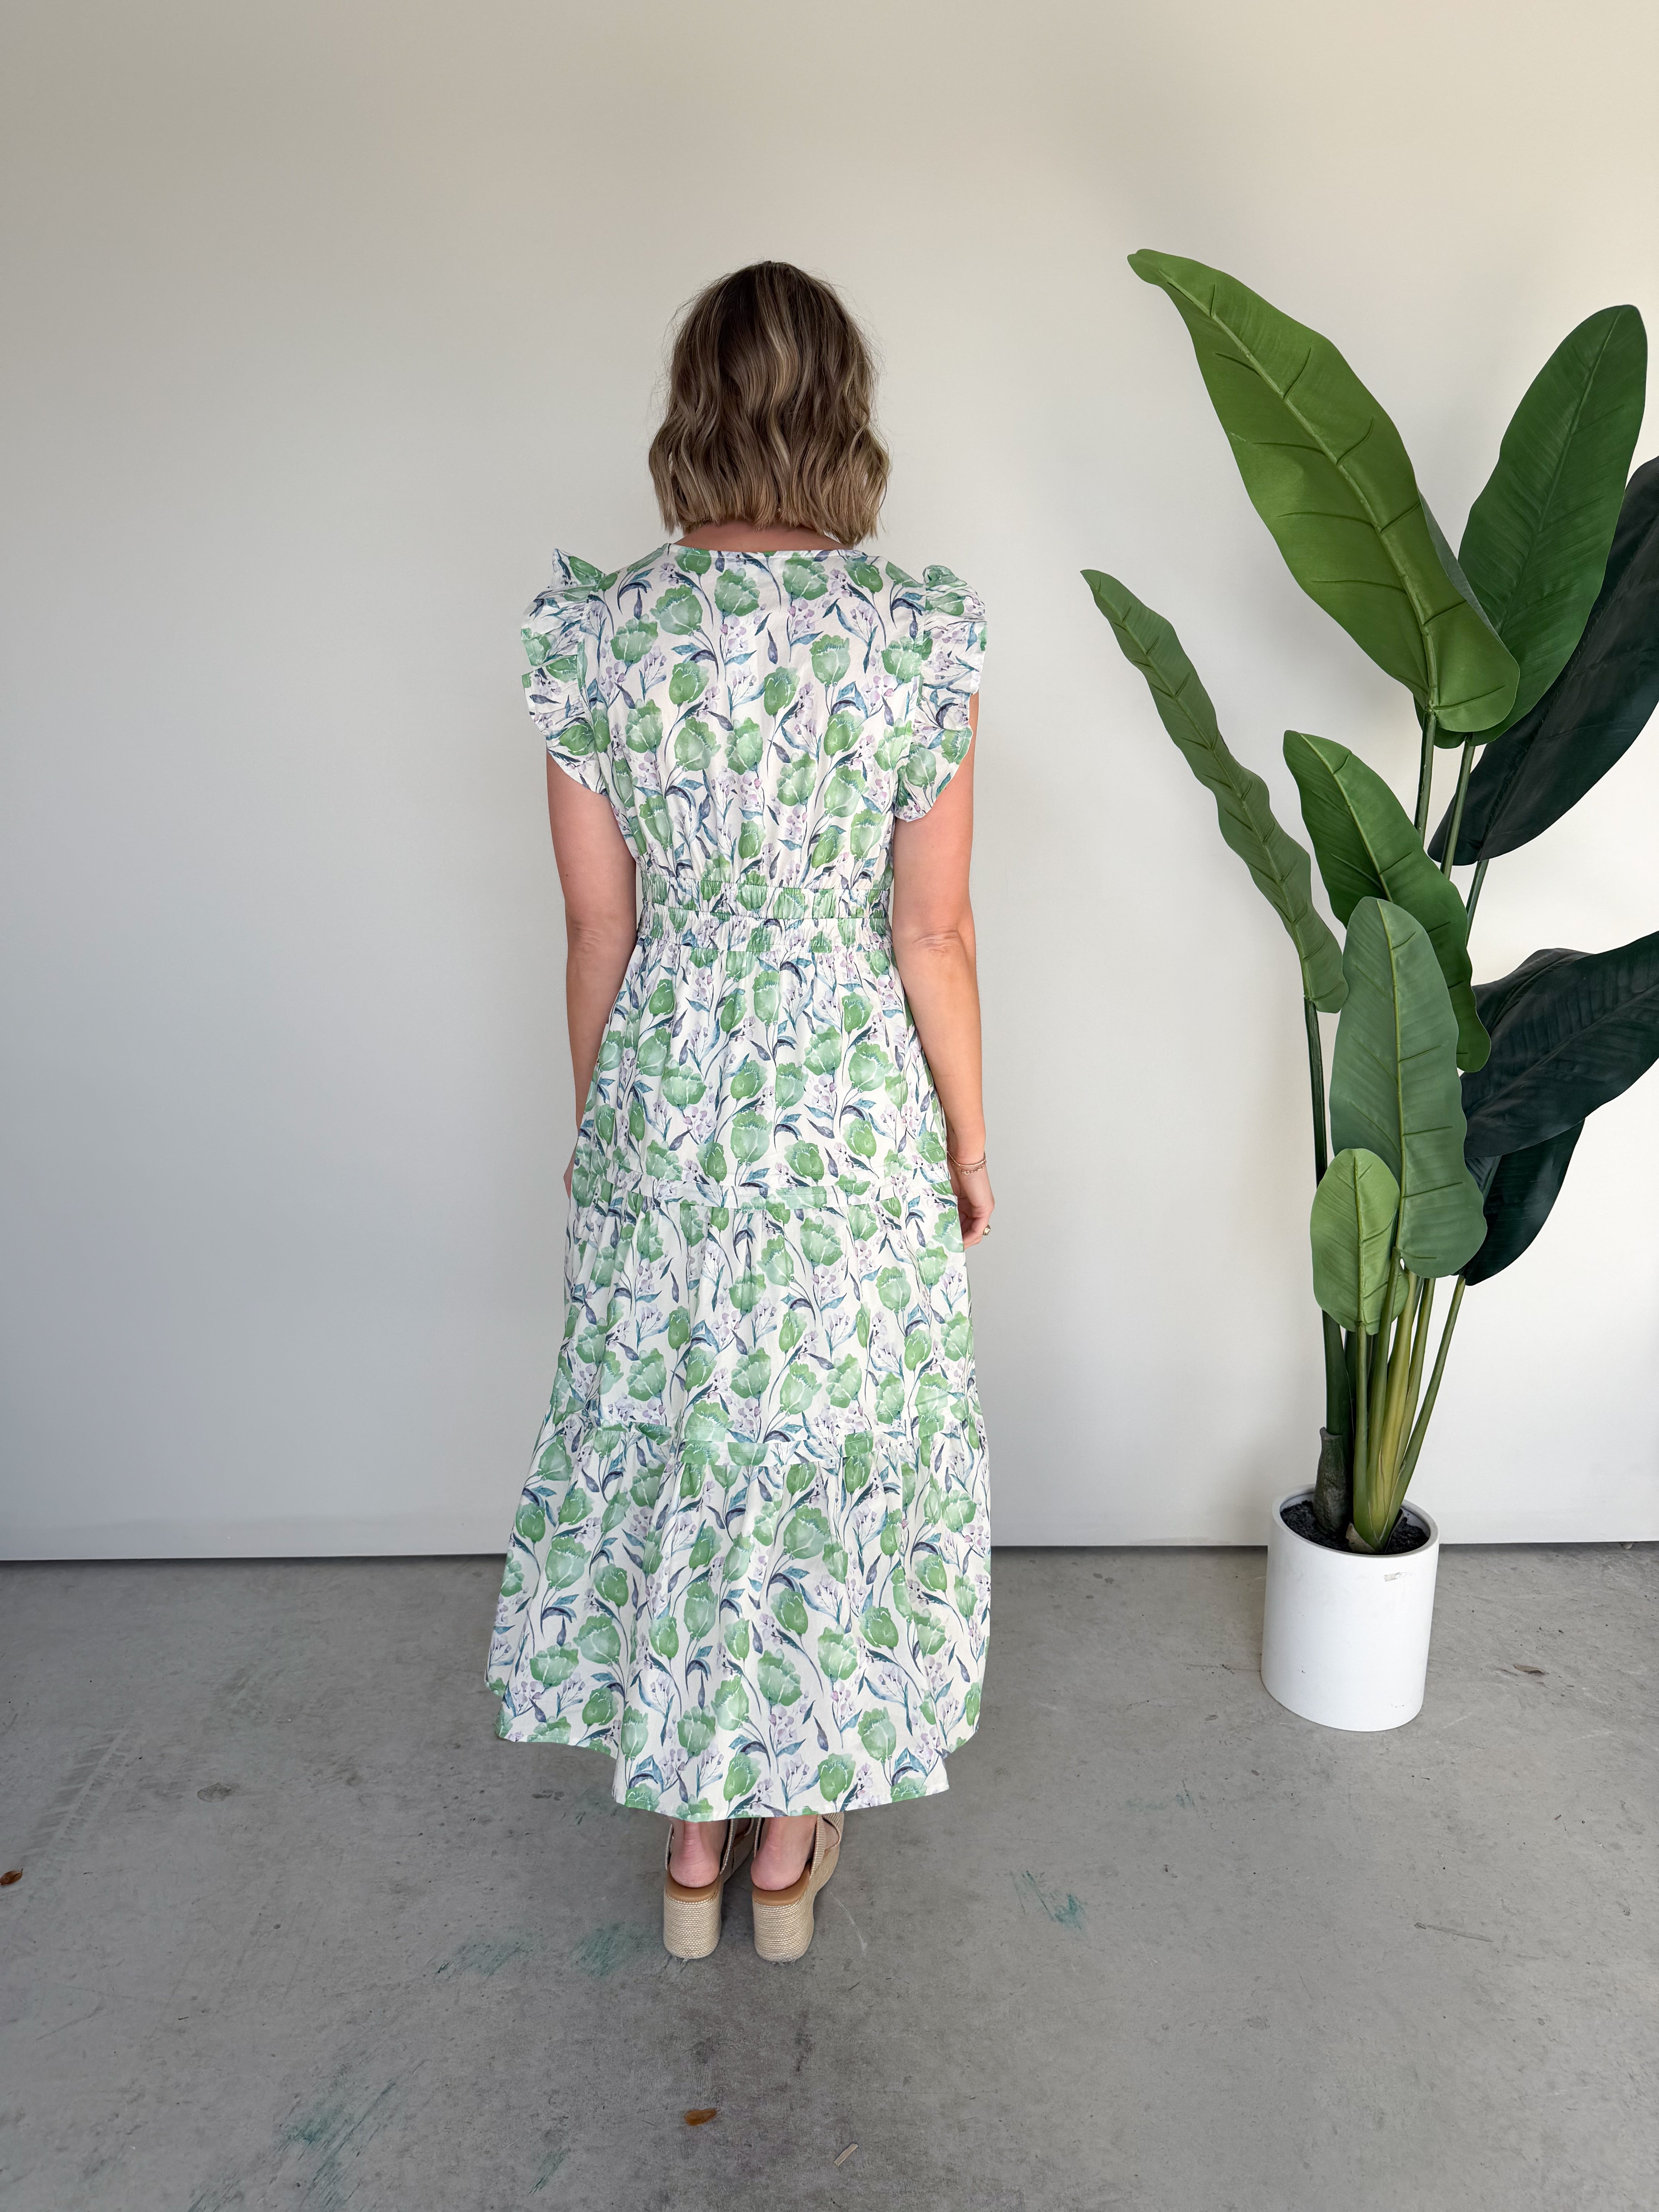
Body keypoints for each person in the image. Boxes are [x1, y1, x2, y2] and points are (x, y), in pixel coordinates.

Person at [486, 261, 993, 1964]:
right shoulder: (913, 636)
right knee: (825, 1441)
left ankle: (691, 1847)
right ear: (845, 412)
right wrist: (966, 1143)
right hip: (846, 1102)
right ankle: (788, 1850)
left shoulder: (599, 634)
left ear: (689, 409)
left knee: (683, 1433)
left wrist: (608, 1127)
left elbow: (596, 928)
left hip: (670, 1091)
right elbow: (932, 933)